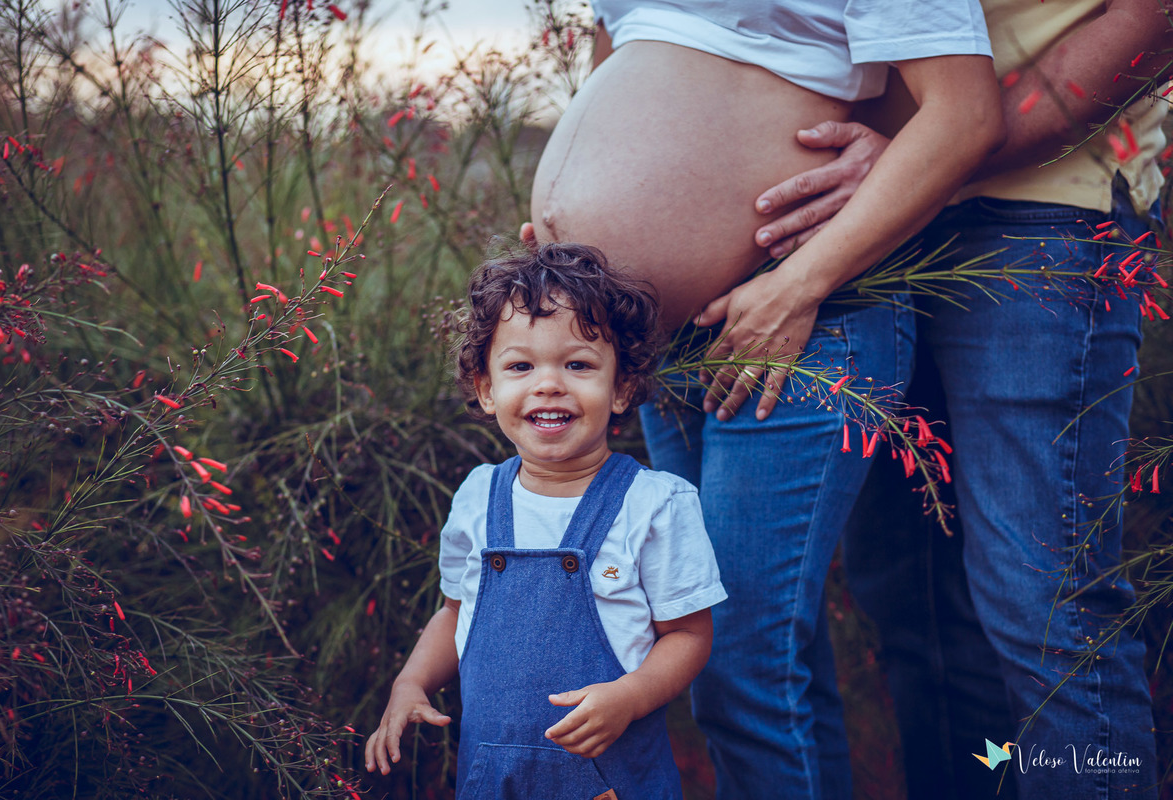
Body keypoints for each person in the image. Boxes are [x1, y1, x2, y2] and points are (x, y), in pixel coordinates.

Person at [524, 3, 1005, 797]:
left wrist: (797, 284)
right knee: (744, 653)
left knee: (736, 654)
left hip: (797, 314)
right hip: (657, 333)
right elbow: (622, 65)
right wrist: (580, 252)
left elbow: (965, 112)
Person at [753, 1, 1170, 797]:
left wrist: (936, 152)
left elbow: (1153, 19)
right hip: (865, 223)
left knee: (1048, 609)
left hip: (1040, 206)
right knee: (914, 602)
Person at [364, 242, 727, 799]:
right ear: (487, 389)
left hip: (609, 780)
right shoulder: (478, 497)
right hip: (493, 781)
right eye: (520, 366)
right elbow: (456, 613)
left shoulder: (654, 504)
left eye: (578, 364)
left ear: (623, 386)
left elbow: (688, 636)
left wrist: (629, 697)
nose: (549, 383)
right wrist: (411, 682)